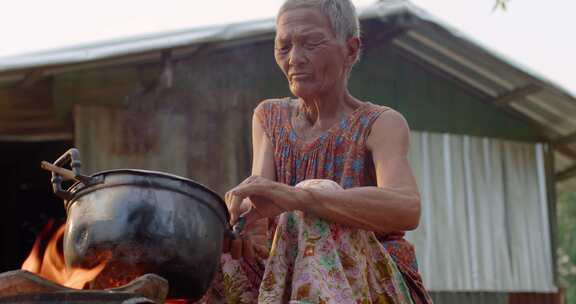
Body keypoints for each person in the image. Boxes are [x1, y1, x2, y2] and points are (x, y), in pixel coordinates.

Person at [218, 0, 433, 303]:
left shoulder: (380, 123)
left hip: (379, 285)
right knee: (217, 247)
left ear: (351, 50)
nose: (294, 58)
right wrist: (243, 227)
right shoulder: (268, 117)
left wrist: (300, 197)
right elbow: (260, 211)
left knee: (313, 198)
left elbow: (407, 208)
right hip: (293, 272)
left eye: (310, 43)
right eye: (284, 47)